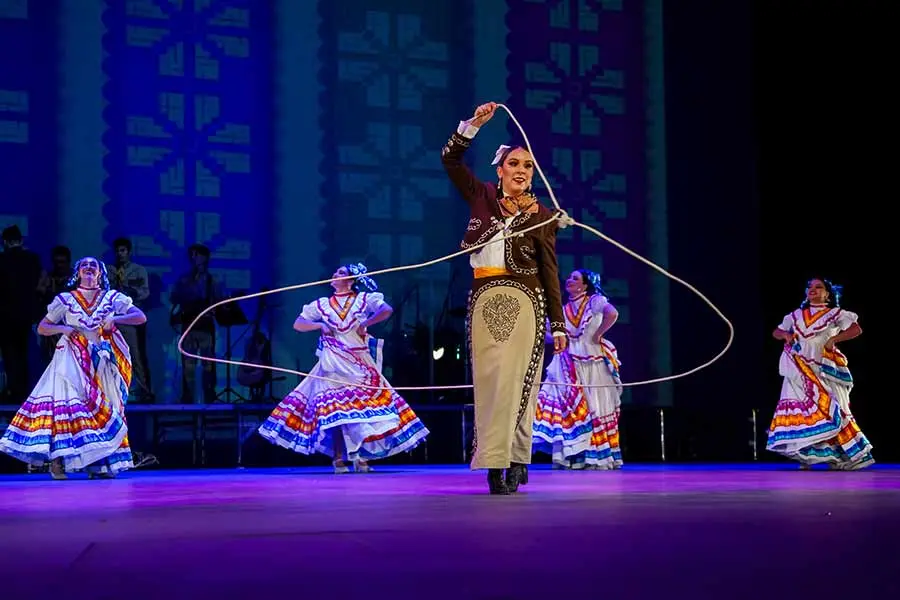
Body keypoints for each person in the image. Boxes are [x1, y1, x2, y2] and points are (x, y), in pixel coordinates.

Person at [441, 101, 567, 494]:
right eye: (514, 164)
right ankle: (497, 457)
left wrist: (558, 322)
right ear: (500, 170)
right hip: (484, 297)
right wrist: (472, 125)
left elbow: (550, 270)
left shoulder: (544, 216)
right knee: (490, 382)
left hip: (527, 301)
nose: (521, 171)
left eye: (527, 166)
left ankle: (510, 461)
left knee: (519, 382)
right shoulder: (482, 196)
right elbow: (450, 159)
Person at [258, 263, 429, 473]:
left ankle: (359, 456)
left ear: (350, 281)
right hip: (333, 362)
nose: (334, 274)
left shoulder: (363, 300)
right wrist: (319, 325)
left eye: (340, 273)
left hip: (359, 361)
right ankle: (339, 458)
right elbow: (298, 323)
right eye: (335, 271)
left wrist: (366, 324)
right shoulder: (322, 304)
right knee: (337, 411)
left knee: (359, 409)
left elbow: (386, 310)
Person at [0, 257, 147, 479]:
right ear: (77, 273)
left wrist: (115, 319)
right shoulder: (66, 299)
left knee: (102, 410)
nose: (88, 267)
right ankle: (57, 462)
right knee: (69, 407)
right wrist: (64, 329)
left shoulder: (111, 297)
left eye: (93, 265)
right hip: (70, 360)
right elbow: (42, 327)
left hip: (100, 360)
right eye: (84, 265)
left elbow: (140, 316)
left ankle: (100, 464)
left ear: (100, 273)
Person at [767, 278, 873, 470]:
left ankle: (837, 456)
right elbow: (777, 331)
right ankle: (806, 457)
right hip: (799, 367)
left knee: (830, 410)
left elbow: (856, 329)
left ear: (827, 294)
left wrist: (834, 339)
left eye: (818, 287)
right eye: (809, 287)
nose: (813, 290)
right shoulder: (796, 315)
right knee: (802, 409)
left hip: (823, 367)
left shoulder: (835, 314)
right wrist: (786, 335)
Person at [533, 269, 623, 470]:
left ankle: (596, 457)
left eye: (575, 278)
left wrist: (598, 335)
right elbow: (552, 335)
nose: (569, 280)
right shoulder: (563, 310)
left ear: (585, 285)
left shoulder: (595, 301)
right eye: (569, 277)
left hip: (593, 361)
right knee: (564, 407)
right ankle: (569, 456)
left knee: (595, 407)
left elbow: (613, 313)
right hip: (568, 362)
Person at [170, 244, 223, 403]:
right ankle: (188, 398)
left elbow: (218, 302)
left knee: (208, 364)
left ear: (205, 258)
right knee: (188, 365)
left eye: (197, 255)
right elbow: (174, 297)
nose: (193, 258)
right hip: (188, 325)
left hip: (205, 326)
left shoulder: (212, 280)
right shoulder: (185, 279)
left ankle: (209, 396)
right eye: (191, 255)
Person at [0, 225, 43, 403]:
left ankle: (13, 391)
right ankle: (23, 393)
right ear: (21, 240)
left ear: (4, 242)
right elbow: (39, 286)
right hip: (26, 315)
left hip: (6, 316)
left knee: (10, 355)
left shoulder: (1, 259)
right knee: (23, 353)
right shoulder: (33, 259)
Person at [108, 237, 153, 402]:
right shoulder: (109, 270)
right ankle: (114, 391)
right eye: (118, 251)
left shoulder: (138, 270)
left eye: (123, 251)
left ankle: (144, 390)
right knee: (111, 355)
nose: (120, 254)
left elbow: (145, 292)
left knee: (136, 354)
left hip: (132, 318)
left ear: (129, 252)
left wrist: (131, 293)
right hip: (113, 319)